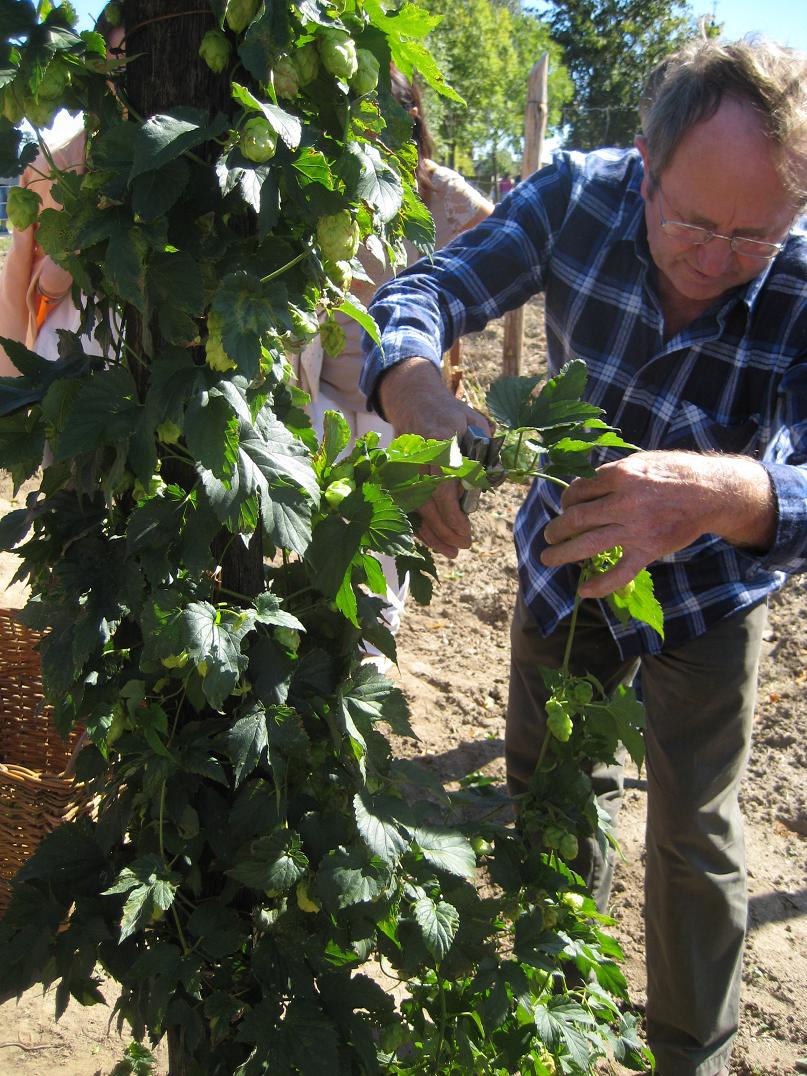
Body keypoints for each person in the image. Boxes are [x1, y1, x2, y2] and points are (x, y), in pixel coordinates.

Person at [361, 37, 807, 1076]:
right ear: (646, 164)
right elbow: (430, 288)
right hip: (565, 560)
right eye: (693, 218)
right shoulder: (577, 198)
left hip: (713, 595)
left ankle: (690, 1053)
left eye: (757, 233)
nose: (715, 254)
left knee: (695, 833)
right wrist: (411, 392)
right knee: (555, 792)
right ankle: (557, 1004)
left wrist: (723, 492)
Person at [299, 65, 493, 654]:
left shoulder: (435, 195)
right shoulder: (327, 180)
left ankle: (368, 668)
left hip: (400, 403)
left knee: (384, 549)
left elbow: (496, 229)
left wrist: (458, 316)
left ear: (410, 118)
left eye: (377, 113)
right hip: (323, 395)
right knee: (321, 539)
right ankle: (321, 661)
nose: (362, 127)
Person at [0, 16, 124, 375]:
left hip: (142, 342)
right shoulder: (50, 164)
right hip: (68, 341)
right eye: (113, 58)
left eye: (133, 62)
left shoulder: (173, 164)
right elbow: (20, 274)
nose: (121, 74)